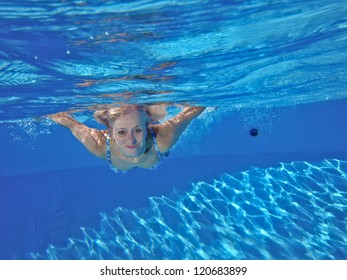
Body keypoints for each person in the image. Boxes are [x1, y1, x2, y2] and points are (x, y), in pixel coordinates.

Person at [48, 104, 205, 172]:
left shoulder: (163, 139)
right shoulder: (99, 144)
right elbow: (69, 123)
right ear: (111, 131)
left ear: (147, 127)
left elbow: (192, 112)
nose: (131, 141)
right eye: (122, 132)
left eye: (137, 130)